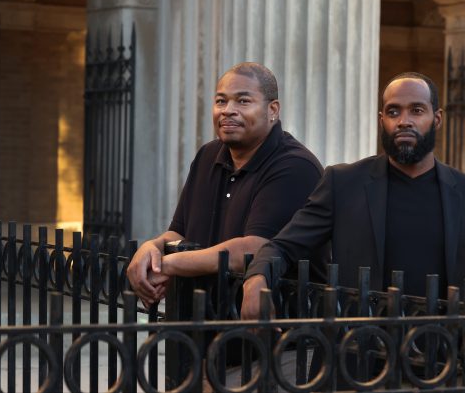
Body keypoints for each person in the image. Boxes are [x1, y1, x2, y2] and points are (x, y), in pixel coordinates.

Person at [241, 71, 465, 319]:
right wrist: (256, 278)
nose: (404, 121)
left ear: (437, 119)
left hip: (439, 357)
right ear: (382, 121)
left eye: (417, 110)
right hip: (359, 355)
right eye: (393, 112)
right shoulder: (342, 184)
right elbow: (285, 245)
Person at [126, 62, 326, 306]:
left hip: (269, 324)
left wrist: (167, 264)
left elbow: (253, 249)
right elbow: (179, 232)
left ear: (272, 110)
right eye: (221, 101)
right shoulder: (207, 156)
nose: (227, 110)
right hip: (203, 319)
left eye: (243, 101)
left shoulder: (295, 166)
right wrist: (151, 248)